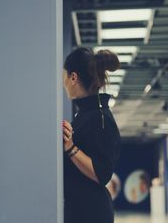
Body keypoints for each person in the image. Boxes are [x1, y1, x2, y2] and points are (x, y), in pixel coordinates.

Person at [62, 47, 121, 223]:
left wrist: (70, 146)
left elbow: (102, 173)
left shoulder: (99, 116)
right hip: (81, 210)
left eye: (64, 76)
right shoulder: (87, 113)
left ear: (73, 77)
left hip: (91, 214)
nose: (62, 82)